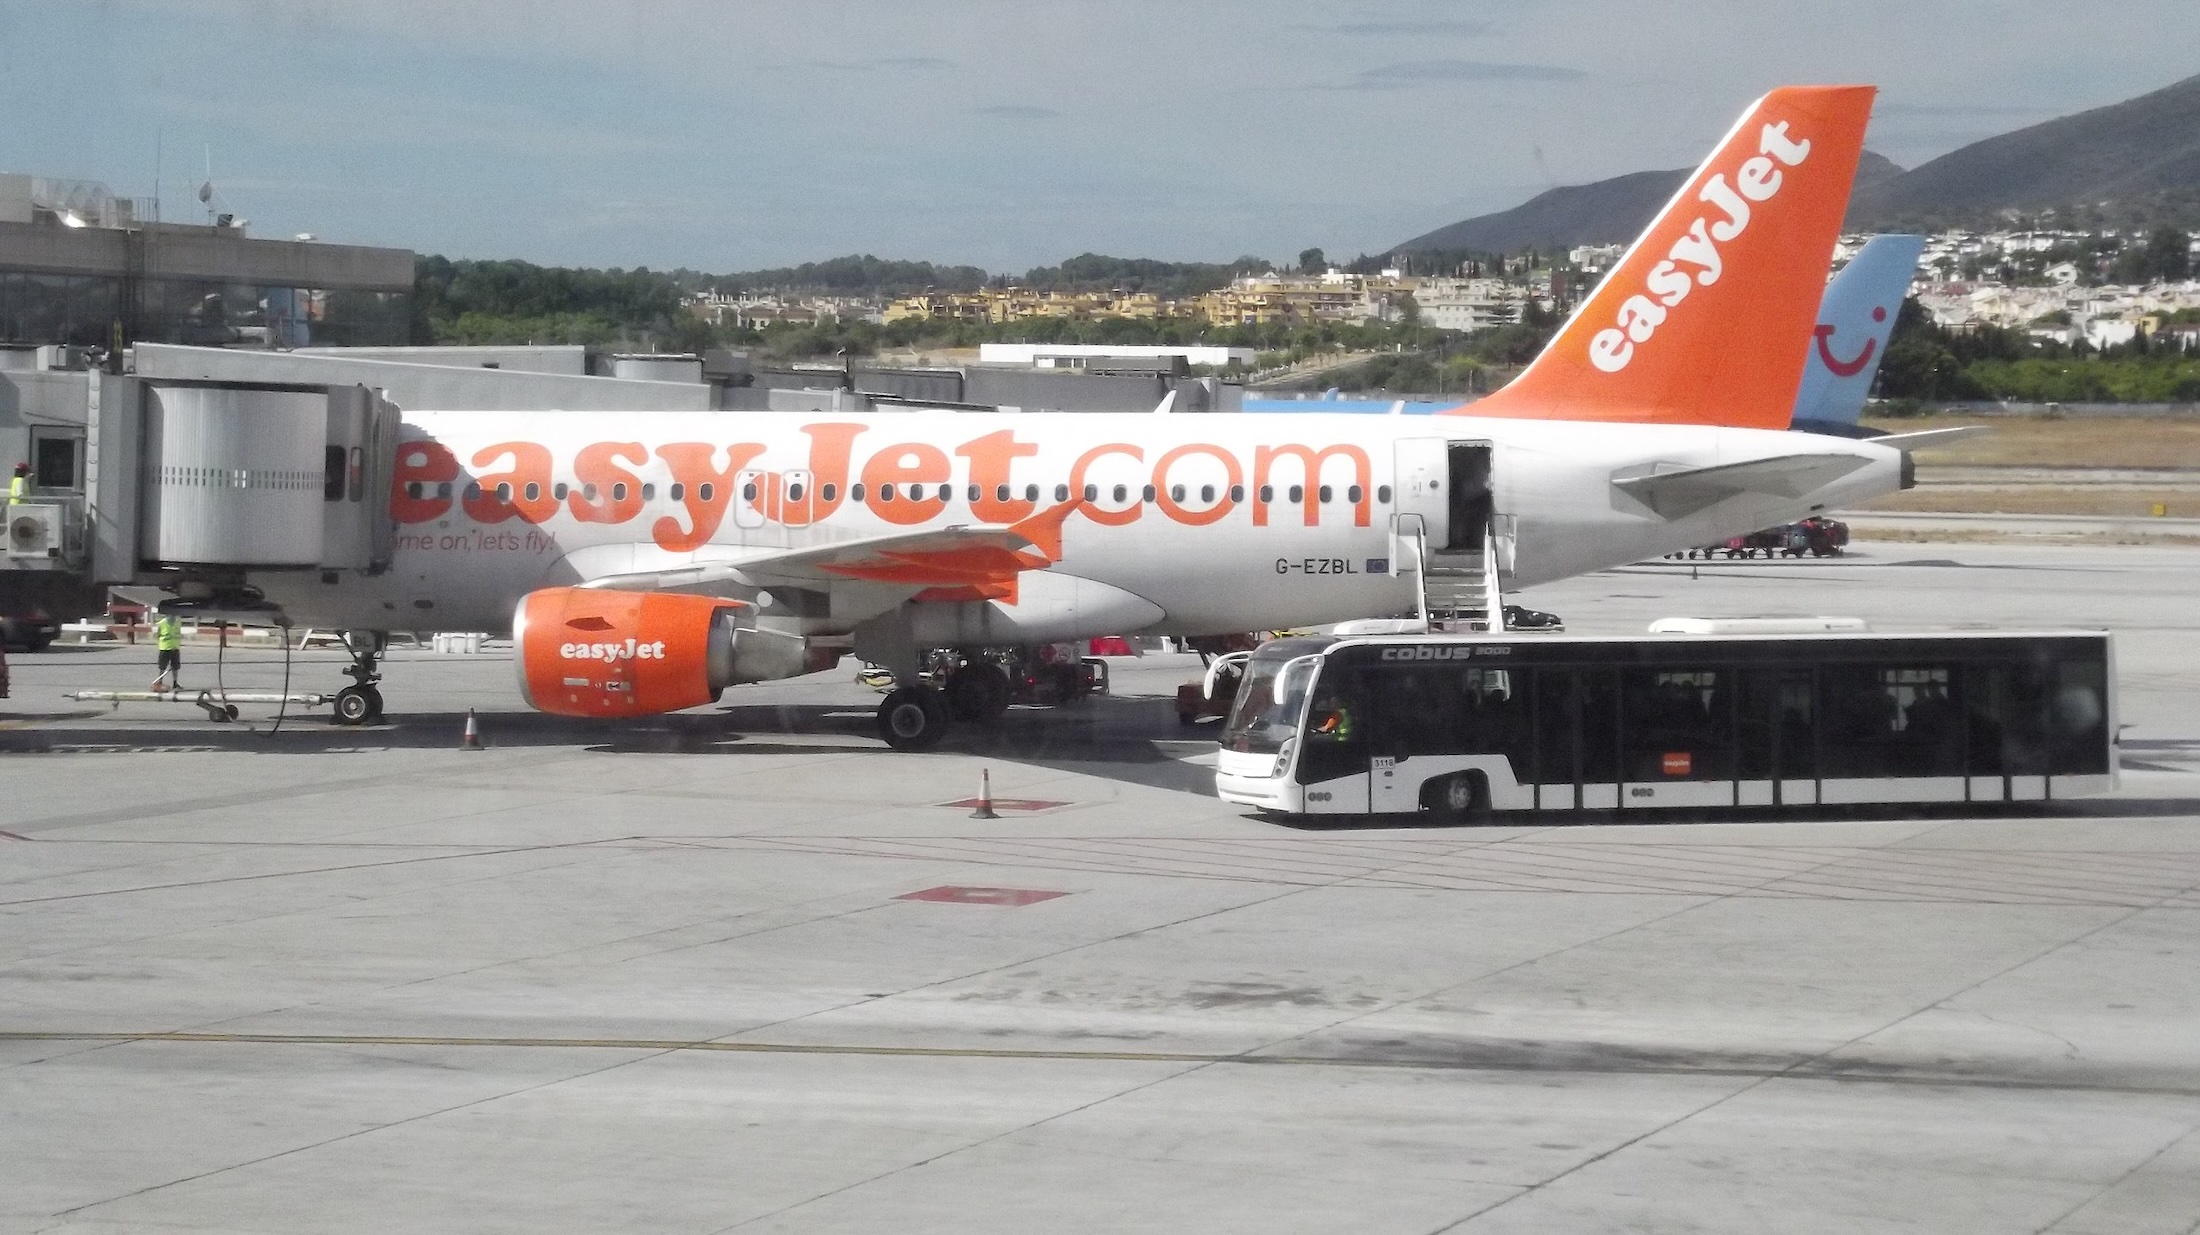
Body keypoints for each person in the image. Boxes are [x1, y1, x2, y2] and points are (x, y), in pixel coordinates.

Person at [151, 613, 183, 691]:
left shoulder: (178, 622)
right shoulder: (161, 623)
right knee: (162, 667)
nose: (173, 616)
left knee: (175, 667)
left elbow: (178, 633)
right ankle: (160, 682)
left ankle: (175, 683)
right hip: (164, 648)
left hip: (175, 647)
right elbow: (157, 635)